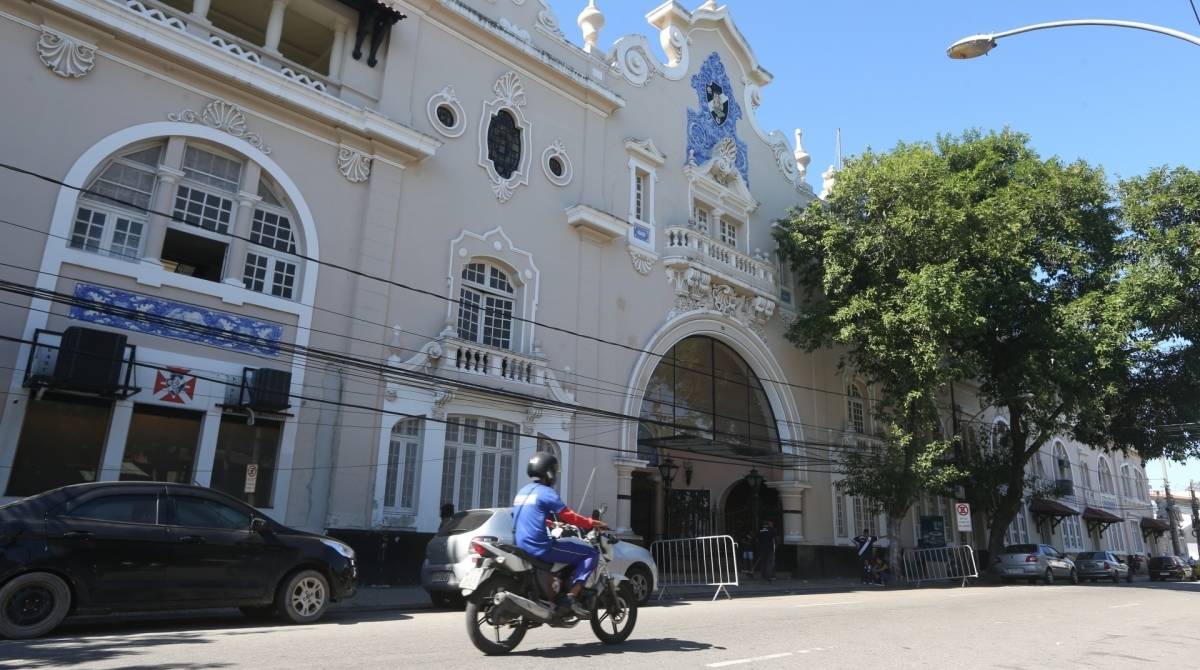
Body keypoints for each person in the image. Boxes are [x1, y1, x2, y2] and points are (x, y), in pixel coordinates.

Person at [512, 452, 608, 618]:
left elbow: (519, 516)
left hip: (520, 544)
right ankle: (572, 596)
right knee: (591, 552)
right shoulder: (546, 492)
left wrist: (551, 524)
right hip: (540, 547)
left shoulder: (523, 491)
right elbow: (568, 515)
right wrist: (591, 523)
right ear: (549, 472)